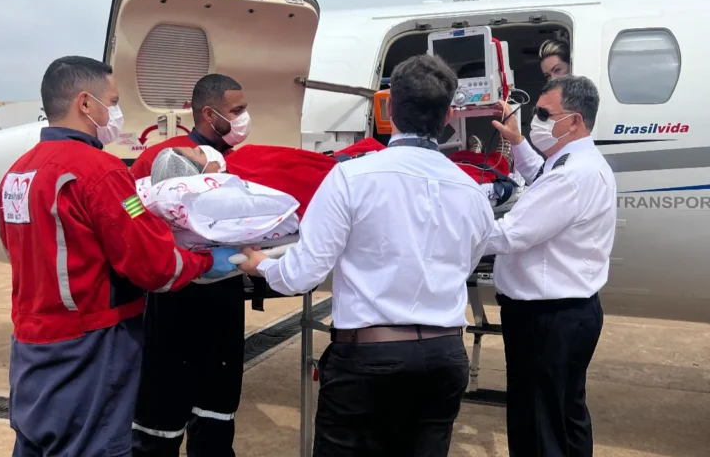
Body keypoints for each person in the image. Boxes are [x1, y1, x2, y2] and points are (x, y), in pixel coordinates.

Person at [238, 54, 495, 457]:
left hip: (370, 359)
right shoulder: (471, 190)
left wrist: (262, 266)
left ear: (389, 108)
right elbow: (470, 257)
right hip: (445, 358)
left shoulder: (352, 177)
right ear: (448, 116)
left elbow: (303, 274)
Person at [0, 56, 237, 456]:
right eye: (114, 100)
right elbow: (154, 265)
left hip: (31, 346)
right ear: (86, 104)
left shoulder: (18, 173)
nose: (117, 113)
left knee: (36, 444)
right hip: (90, 345)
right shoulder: (99, 172)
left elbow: (16, 248)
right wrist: (211, 261)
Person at [487, 75, 616, 457]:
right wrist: (517, 143)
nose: (535, 120)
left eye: (545, 113)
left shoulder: (572, 177)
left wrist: (451, 221)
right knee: (564, 415)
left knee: (538, 425)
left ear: (574, 121)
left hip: (545, 320)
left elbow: (508, 236)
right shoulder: (577, 163)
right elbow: (541, 180)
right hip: (570, 314)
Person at [131, 74, 253, 457]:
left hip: (225, 295)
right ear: (208, 113)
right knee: (161, 409)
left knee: (218, 406)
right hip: (174, 296)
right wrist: (158, 234)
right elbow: (128, 206)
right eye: (237, 111)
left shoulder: (240, 162)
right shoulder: (161, 157)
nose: (244, 118)